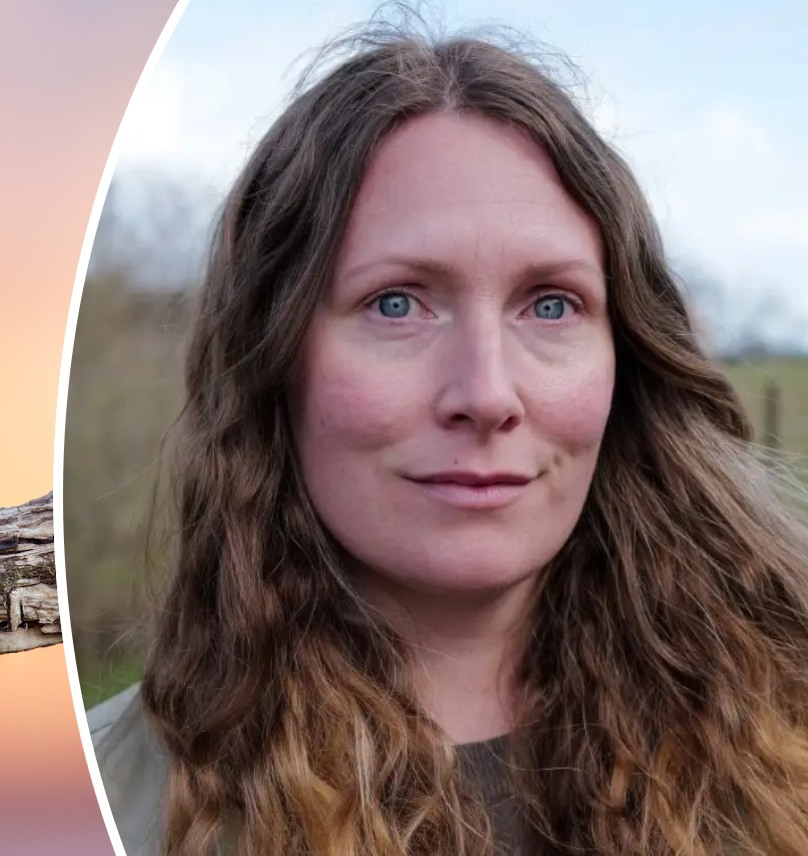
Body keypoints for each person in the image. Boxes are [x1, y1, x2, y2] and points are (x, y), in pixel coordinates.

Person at [86, 17, 808, 856]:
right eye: (397, 303)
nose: (487, 394)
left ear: (629, 358)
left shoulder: (788, 745)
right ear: (273, 360)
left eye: (551, 304)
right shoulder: (106, 801)